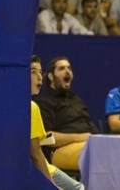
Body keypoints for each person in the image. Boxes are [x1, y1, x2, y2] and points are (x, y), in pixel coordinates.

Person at [33, 57, 97, 175]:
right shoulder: (43, 102)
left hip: (87, 143)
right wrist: (80, 137)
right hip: (58, 151)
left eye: (69, 68)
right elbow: (46, 138)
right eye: (62, 68)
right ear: (51, 76)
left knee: (115, 150)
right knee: (98, 152)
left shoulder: (76, 99)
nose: (67, 71)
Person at [30, 56, 85, 190]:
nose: (39, 77)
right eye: (33, 72)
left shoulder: (76, 100)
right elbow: (36, 153)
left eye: (39, 72)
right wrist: (50, 185)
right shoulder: (33, 107)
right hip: (34, 168)